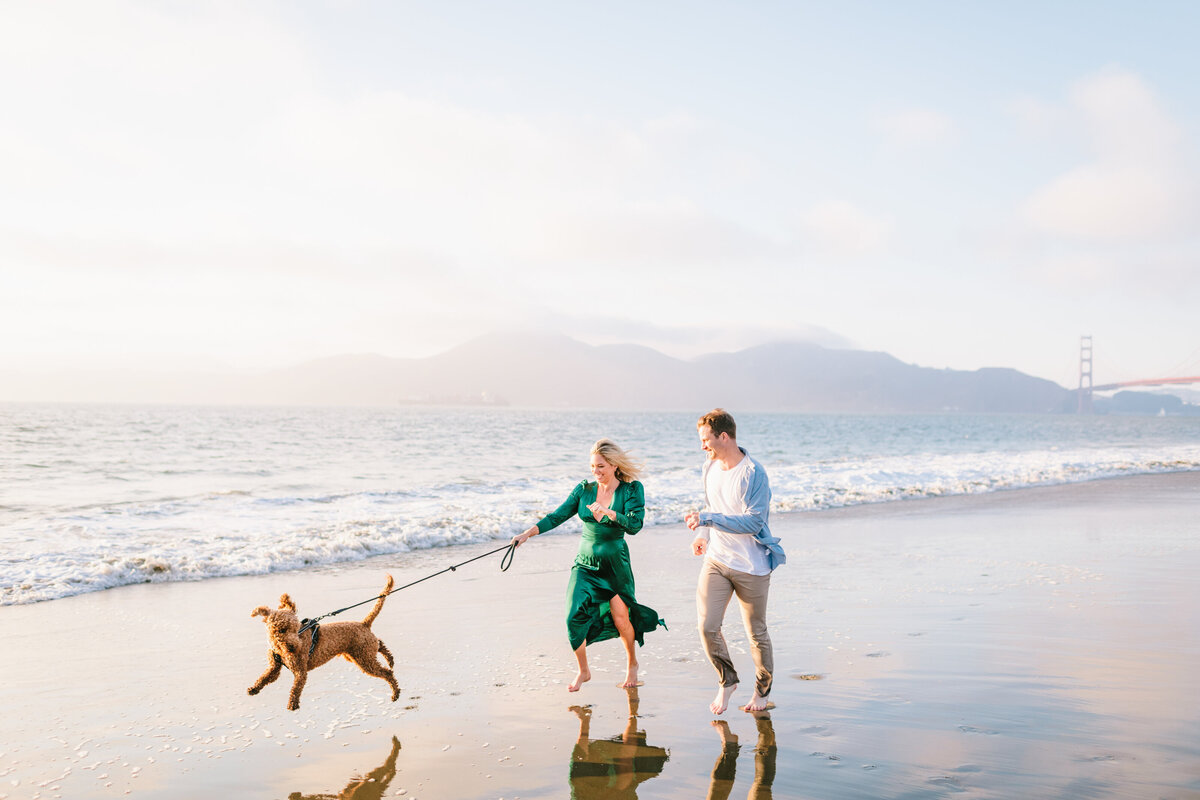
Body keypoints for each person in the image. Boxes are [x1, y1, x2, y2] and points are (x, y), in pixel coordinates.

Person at [512, 438, 665, 692]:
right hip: (584, 565)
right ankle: (583, 670)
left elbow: (635, 526)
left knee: (621, 618)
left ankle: (632, 663)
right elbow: (557, 515)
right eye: (593, 466)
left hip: (614, 565)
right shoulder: (584, 490)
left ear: (614, 465)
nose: (596, 472)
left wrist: (611, 513)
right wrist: (527, 534)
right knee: (573, 616)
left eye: (601, 466)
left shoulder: (631, 490)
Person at [685, 408, 786, 715]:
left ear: (724, 437)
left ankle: (762, 690)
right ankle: (727, 680)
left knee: (756, 632)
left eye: (706, 440)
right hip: (717, 559)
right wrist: (703, 532)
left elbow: (754, 523)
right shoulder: (710, 466)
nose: (703, 446)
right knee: (707, 626)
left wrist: (708, 519)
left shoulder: (754, 473)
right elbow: (711, 504)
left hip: (752, 566)